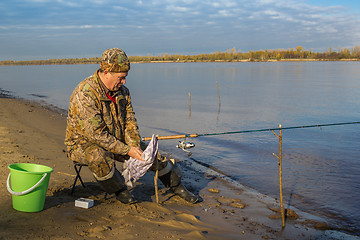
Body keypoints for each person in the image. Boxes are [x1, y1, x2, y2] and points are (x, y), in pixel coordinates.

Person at [65, 48, 197, 204]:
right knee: (98, 156)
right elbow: (96, 135)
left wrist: (134, 146)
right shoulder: (85, 93)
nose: (124, 82)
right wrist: (127, 150)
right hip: (83, 144)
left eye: (125, 77)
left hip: (116, 139)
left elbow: (130, 121)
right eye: (120, 77)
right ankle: (120, 190)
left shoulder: (123, 92)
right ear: (106, 72)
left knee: (152, 156)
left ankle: (177, 186)